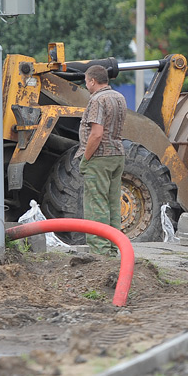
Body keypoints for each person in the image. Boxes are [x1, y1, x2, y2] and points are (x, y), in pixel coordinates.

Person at [78, 64, 126, 256]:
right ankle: (114, 249)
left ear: (92, 80)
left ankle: (101, 253)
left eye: (86, 81)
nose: (86, 85)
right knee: (113, 204)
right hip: (118, 155)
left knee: (96, 204)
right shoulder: (118, 97)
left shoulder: (98, 100)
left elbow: (96, 134)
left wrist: (86, 159)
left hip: (99, 157)